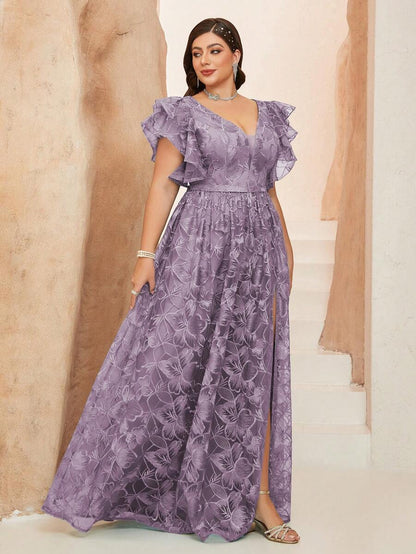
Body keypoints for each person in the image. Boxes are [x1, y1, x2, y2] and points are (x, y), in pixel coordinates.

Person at [41, 17, 300, 544]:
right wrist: (146, 254)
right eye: (196, 52)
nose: (204, 60)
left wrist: (286, 250)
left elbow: (269, 190)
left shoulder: (268, 114)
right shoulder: (182, 114)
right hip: (199, 244)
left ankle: (259, 497)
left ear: (236, 55)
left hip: (260, 248)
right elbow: (162, 185)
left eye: (215, 50)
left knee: (256, 367)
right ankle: (127, 484)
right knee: (168, 359)